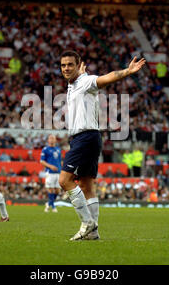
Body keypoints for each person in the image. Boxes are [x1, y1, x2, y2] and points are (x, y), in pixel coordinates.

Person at [58, 50, 146, 241]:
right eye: (63, 65)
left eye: (70, 64)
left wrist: (127, 71)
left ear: (78, 65)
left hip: (85, 137)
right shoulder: (73, 84)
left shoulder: (85, 82)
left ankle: (87, 223)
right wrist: (80, 73)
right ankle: (94, 232)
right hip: (88, 137)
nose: (66, 68)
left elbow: (107, 78)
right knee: (87, 185)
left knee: (65, 181)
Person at [40, 134, 62, 213]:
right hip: (50, 172)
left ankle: (49, 203)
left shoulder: (58, 149)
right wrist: (50, 166)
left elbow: (60, 161)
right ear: (48, 140)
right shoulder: (45, 149)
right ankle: (53, 206)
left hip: (58, 172)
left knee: (57, 191)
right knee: (50, 189)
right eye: (50, 138)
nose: (52, 139)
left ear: (55, 140)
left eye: (53, 138)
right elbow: (42, 161)